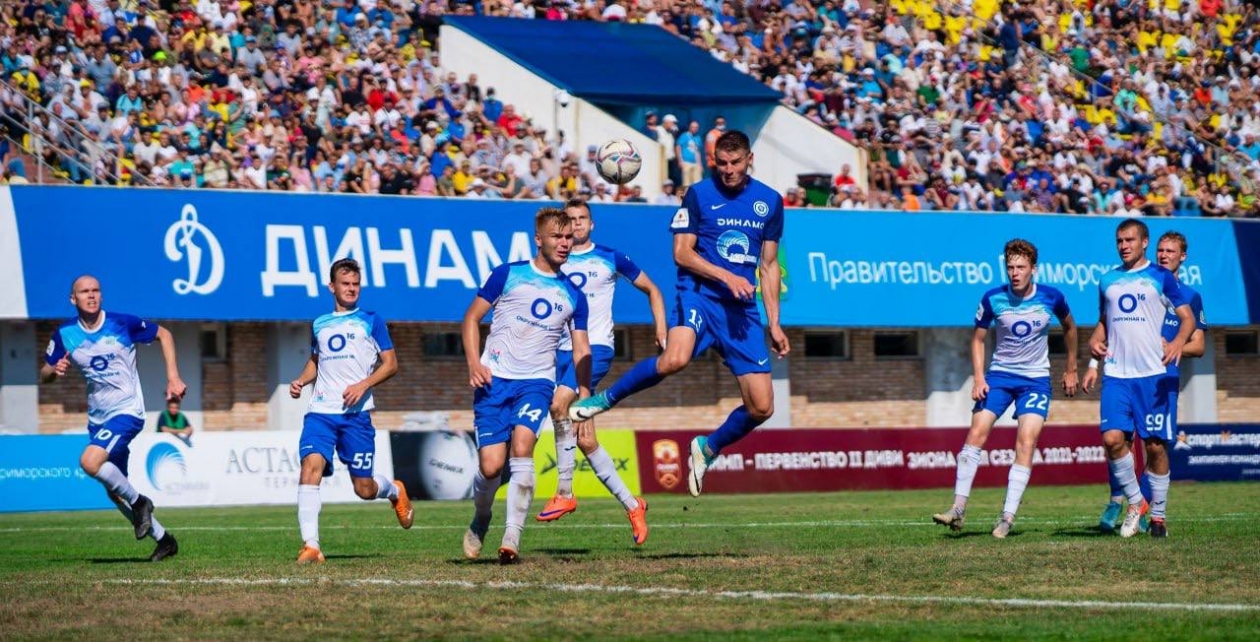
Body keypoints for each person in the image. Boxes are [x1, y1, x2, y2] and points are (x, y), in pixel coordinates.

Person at [569, 130, 789, 497]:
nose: (729, 170)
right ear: (714, 162)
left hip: (741, 310)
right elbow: (682, 253)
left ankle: (708, 447)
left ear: (750, 159)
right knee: (675, 358)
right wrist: (726, 276)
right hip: (700, 294)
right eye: (723, 163)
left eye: (736, 163)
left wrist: (775, 322)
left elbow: (768, 266)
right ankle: (602, 401)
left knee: (762, 406)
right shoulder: (699, 194)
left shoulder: (770, 201)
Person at [461, 208, 591, 564]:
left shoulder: (574, 295)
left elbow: (582, 348)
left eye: (568, 238)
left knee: (523, 447)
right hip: (494, 380)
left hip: (536, 382)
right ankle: (482, 517)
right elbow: (471, 318)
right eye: (557, 237)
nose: (564, 243)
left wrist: (585, 391)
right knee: (490, 466)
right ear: (539, 239)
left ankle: (511, 537)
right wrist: (474, 362)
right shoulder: (508, 274)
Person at [534, 199, 665, 546]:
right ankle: (633, 504)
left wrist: (661, 328)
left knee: (560, 406)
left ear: (591, 225)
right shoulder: (555, 262)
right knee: (586, 437)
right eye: (570, 220)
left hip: (595, 351)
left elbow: (652, 289)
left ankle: (564, 492)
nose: (576, 225)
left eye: (582, 219)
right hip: (560, 352)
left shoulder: (610, 258)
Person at [932, 239, 1079, 538]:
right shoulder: (992, 298)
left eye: (1021, 267)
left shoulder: (1052, 297)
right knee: (976, 432)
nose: (1014, 272)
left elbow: (1070, 327)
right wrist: (979, 378)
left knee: (1026, 440)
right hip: (999, 376)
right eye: (1010, 267)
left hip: (1036, 379)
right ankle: (957, 509)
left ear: (1033, 269)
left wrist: (1071, 367)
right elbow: (977, 339)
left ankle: (1007, 517)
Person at [41, 275, 185, 562]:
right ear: (74, 299)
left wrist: (173, 376)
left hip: (127, 410)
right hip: (98, 418)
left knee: (89, 462)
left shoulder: (122, 323)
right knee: (114, 491)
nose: (91, 295)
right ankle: (165, 540)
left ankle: (141, 503)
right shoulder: (65, 334)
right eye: (84, 292)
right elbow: (44, 375)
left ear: (101, 296)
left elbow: (164, 334)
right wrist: (54, 370)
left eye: (96, 290)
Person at [287, 258, 411, 564]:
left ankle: (393, 490)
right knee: (309, 467)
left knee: (364, 489)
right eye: (345, 284)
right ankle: (311, 545)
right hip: (321, 413)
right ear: (332, 287)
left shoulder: (371, 320)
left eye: (356, 284)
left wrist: (363, 384)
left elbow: (391, 364)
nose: (352, 289)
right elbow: (317, 360)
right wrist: (302, 381)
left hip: (356, 417)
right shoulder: (318, 323)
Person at [1087, 230, 1207, 535]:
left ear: (1183, 257)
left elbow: (1199, 345)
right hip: (1123, 373)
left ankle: (1154, 516)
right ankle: (1122, 500)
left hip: (1162, 379)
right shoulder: (1130, 281)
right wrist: (1091, 361)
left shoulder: (1188, 295)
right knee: (1118, 440)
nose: (1164, 254)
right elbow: (1106, 325)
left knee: (1156, 446)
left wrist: (1174, 345)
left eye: (1171, 251)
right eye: (1161, 250)